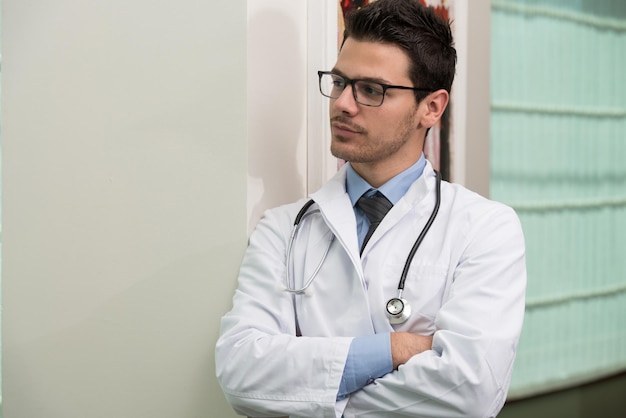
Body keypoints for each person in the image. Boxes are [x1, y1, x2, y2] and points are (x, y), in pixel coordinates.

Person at [216, 1, 526, 417]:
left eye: (371, 90)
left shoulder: (486, 228)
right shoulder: (283, 229)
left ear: (431, 107)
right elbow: (240, 372)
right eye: (340, 81)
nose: (343, 103)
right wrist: (395, 348)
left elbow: (470, 390)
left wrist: (312, 394)